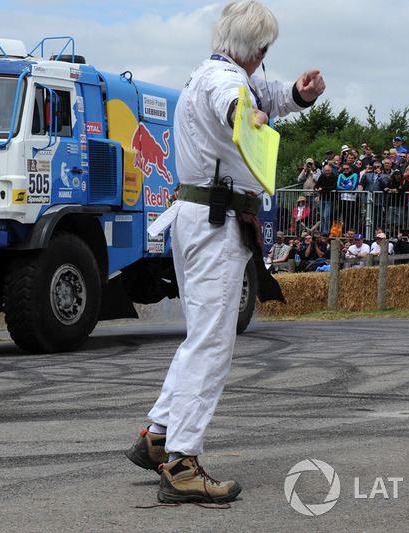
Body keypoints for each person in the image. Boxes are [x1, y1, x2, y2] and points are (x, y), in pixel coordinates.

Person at [125, 0, 325, 505]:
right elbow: (235, 104)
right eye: (265, 50)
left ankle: (158, 436)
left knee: (201, 337)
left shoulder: (215, 72)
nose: (265, 59)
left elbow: (263, 96)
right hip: (214, 223)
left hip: (198, 217)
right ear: (253, 49)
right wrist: (247, 114)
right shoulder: (224, 83)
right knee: (212, 344)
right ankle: (182, 463)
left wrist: (296, 96)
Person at [314, 163, 337, 234]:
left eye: (328, 170)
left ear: (331, 170)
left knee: (326, 216)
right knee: (322, 216)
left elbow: (333, 187)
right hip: (322, 198)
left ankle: (327, 230)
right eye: (325, 171)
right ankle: (323, 229)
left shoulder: (334, 177)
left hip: (330, 199)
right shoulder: (322, 176)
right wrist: (316, 188)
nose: (327, 172)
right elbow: (316, 185)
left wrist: (323, 188)